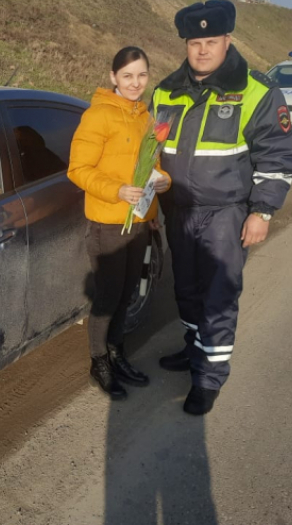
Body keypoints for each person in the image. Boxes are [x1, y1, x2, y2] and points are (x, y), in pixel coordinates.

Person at [153, 0, 292, 415]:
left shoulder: (258, 91)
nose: (202, 50)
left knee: (217, 296)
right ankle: (194, 348)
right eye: (194, 41)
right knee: (186, 291)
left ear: (227, 40)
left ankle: (209, 377)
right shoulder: (166, 90)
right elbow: (151, 149)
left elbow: (277, 157)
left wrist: (262, 212)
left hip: (226, 214)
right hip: (178, 211)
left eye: (211, 41)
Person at [68, 47, 171, 400]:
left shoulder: (144, 117)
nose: (135, 83)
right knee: (109, 297)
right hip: (108, 224)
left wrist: (162, 185)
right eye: (127, 76)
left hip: (139, 222)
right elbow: (78, 170)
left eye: (141, 75)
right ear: (113, 77)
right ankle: (98, 362)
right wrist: (116, 191)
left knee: (128, 294)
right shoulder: (98, 116)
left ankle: (116, 354)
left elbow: (150, 167)